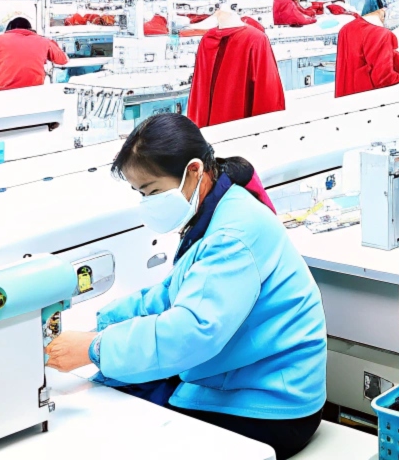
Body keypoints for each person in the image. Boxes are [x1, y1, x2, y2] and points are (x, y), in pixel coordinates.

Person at [44, 112, 327, 459]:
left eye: (151, 191)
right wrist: (99, 326)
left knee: (124, 433)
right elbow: (172, 295)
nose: (147, 203)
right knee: (116, 394)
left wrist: (96, 348)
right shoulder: (215, 211)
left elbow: (193, 331)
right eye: (140, 193)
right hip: (246, 377)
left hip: (272, 406)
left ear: (194, 170)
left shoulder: (232, 235)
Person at [335, 0, 399, 97]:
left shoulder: (345, 30)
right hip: (368, 101)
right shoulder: (380, 34)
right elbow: (384, 78)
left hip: (345, 97)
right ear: (381, 11)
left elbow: (395, 60)